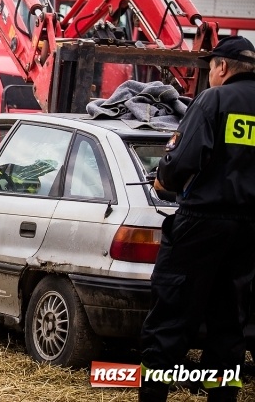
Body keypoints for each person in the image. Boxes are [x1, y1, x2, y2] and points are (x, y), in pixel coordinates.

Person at [139, 36, 255, 402]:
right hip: (250, 231)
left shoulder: (214, 100)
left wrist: (163, 178)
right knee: (230, 326)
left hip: (203, 222)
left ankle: (153, 395)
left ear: (221, 67)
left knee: (171, 317)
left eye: (210, 69)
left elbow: (181, 162)